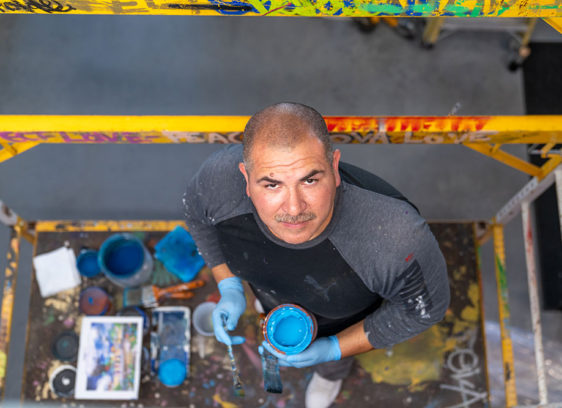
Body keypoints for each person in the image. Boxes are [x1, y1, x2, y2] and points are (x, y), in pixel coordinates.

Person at [183, 102, 450, 408]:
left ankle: (331, 375)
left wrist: (334, 349)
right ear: (245, 178)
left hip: (341, 320)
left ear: (335, 168)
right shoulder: (219, 182)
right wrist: (228, 284)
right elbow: (196, 216)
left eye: (310, 180)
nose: (294, 208)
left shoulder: (395, 236)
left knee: (333, 364)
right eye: (272, 184)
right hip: (267, 293)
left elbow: (423, 310)